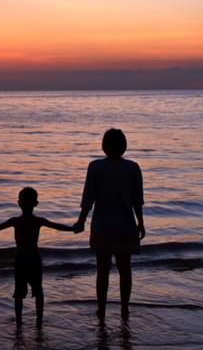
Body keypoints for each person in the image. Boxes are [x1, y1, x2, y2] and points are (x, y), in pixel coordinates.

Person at [0, 187, 79, 327]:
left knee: (19, 294)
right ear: (36, 204)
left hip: (21, 260)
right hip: (35, 260)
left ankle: (19, 321)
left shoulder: (15, 221)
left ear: (19, 203)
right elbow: (58, 226)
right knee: (38, 291)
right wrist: (74, 228)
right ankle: (39, 321)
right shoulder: (38, 221)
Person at [73, 128, 145, 321]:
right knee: (125, 269)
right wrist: (141, 223)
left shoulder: (95, 167)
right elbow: (137, 200)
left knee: (102, 271)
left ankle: (102, 309)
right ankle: (124, 308)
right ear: (124, 146)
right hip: (125, 225)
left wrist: (81, 221)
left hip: (103, 226)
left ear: (104, 146)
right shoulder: (133, 167)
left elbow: (88, 198)